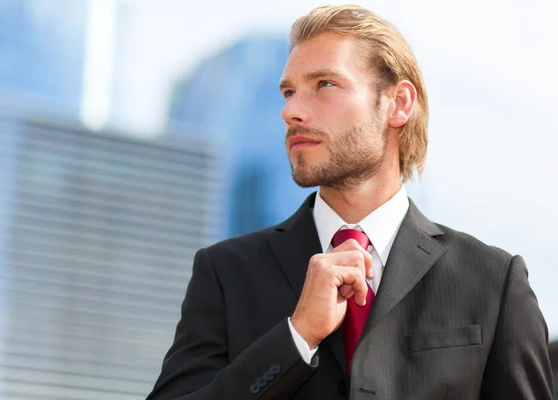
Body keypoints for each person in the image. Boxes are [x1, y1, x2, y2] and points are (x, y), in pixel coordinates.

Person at [146, 5, 554, 399]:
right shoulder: (225, 273)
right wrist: (296, 336)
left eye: (324, 84)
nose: (291, 111)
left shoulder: (494, 282)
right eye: (289, 92)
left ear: (398, 103)